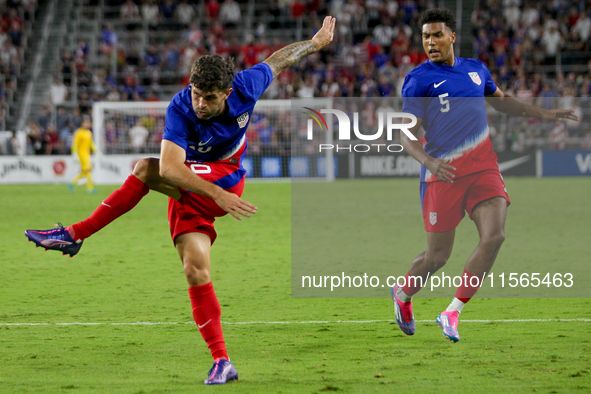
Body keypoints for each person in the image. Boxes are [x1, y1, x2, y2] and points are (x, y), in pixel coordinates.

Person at [26, 16, 336, 385]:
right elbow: (173, 169)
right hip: (194, 186)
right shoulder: (181, 107)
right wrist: (214, 195)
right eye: (195, 93)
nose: (200, 103)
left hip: (226, 179)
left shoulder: (247, 87)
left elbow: (278, 59)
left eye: (208, 97)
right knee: (195, 269)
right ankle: (223, 361)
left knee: (144, 168)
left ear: (226, 92)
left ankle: (75, 234)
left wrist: (314, 44)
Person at [391, 9, 577, 343]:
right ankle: (403, 293)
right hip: (443, 174)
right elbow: (404, 134)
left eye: (436, 35)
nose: (430, 42)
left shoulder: (476, 70)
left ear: (451, 37)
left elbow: (503, 103)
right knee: (437, 257)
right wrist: (429, 161)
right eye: (425, 36)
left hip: (483, 169)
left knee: (495, 237)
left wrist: (543, 113)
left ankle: (452, 311)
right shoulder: (419, 79)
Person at [69, 117, 99, 194]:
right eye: (86, 122)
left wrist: (97, 151)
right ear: (82, 123)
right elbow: (75, 143)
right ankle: (90, 188)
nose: (87, 124)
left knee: (85, 171)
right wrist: (74, 153)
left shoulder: (89, 132)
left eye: (88, 122)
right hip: (82, 154)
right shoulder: (79, 132)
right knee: (88, 170)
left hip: (87, 154)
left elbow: (91, 143)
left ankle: (72, 182)